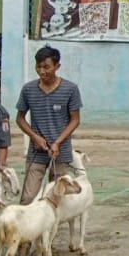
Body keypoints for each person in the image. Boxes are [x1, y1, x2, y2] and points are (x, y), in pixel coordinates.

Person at [15, 46, 82, 204]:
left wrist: (58, 142)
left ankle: (52, 229)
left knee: (57, 198)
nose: (42, 71)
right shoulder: (28, 90)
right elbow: (20, 118)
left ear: (57, 66)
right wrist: (34, 137)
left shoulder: (70, 89)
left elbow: (75, 120)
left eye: (46, 67)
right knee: (28, 198)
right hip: (37, 152)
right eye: (38, 67)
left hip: (61, 152)